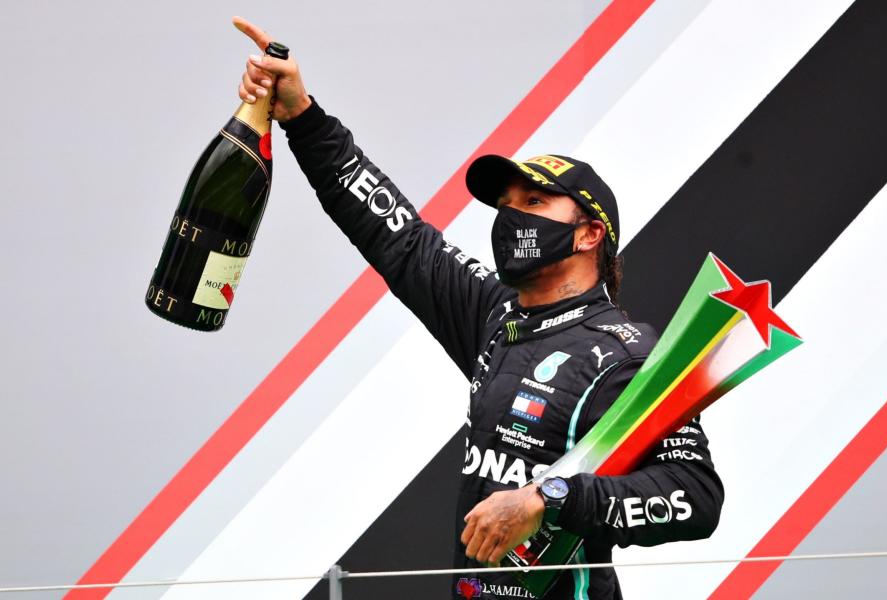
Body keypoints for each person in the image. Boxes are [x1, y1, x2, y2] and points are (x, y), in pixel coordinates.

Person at [233, 17, 724, 599]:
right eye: (507, 203)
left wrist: (549, 499)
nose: (512, 216)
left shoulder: (627, 355)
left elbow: (694, 497)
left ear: (591, 235)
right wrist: (302, 115)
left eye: (535, 201)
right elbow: (397, 235)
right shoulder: (497, 315)